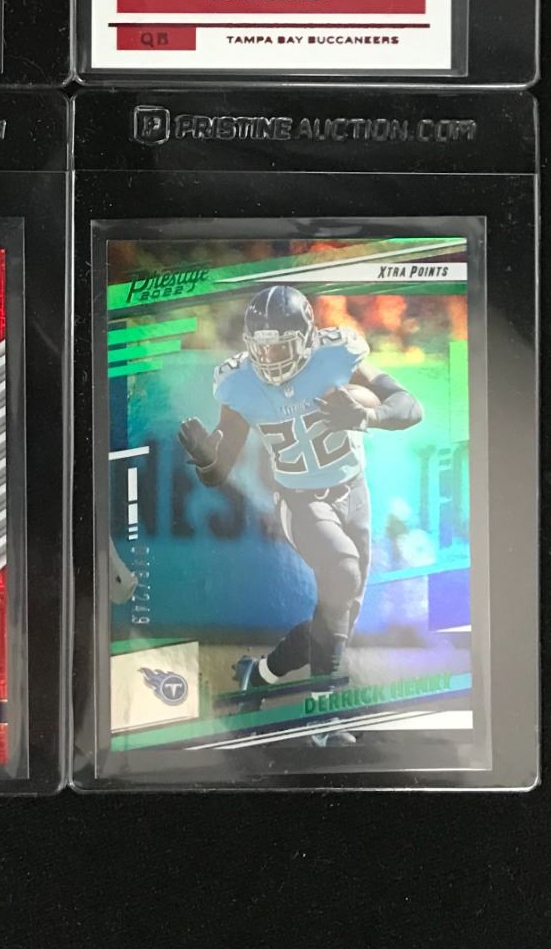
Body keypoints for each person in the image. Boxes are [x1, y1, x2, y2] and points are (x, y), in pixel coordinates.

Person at [176, 284, 423, 747]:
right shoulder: (239, 384)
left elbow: (410, 407)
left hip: (354, 493)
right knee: (342, 573)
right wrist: (207, 460)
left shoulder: (337, 355)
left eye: (280, 346)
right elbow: (219, 471)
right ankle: (321, 714)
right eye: (261, 347)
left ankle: (261, 674)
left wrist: (365, 417)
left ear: (307, 338)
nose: (269, 358)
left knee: (337, 616)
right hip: (300, 500)